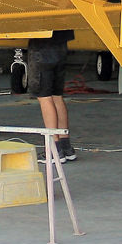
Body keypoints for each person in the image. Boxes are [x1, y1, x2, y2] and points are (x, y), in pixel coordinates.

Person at [27, 29, 75, 162]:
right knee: (57, 96)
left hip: (41, 46)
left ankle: (54, 148)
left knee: (44, 97)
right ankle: (66, 146)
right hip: (61, 44)